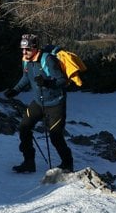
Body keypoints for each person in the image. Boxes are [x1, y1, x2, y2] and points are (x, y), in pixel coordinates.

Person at [4, 33, 74, 173]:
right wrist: (15, 90)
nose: (24, 52)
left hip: (55, 104)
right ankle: (29, 162)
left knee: (55, 136)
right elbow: (26, 77)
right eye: (23, 49)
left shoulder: (47, 60)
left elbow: (62, 81)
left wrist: (47, 83)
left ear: (35, 48)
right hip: (38, 102)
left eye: (28, 49)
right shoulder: (26, 60)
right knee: (24, 128)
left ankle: (67, 164)